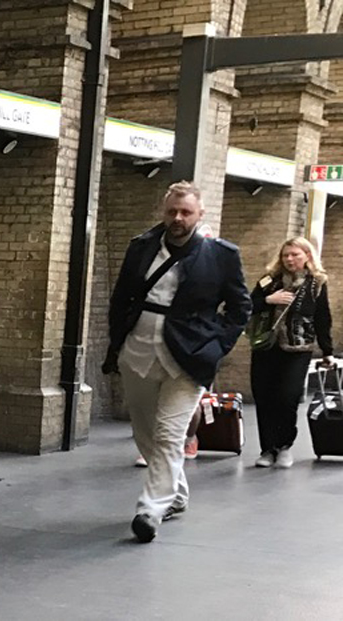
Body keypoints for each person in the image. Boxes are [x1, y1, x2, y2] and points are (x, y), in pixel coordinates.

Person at [103, 181, 251, 543]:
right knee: (145, 432)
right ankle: (177, 494)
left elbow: (240, 307)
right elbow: (121, 297)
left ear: (199, 214)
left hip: (190, 357)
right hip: (138, 350)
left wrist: (218, 346)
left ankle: (150, 509)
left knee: (170, 434)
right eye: (172, 211)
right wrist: (117, 340)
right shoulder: (140, 248)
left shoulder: (221, 255)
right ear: (163, 212)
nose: (178, 218)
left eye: (186, 212)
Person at [250, 237, 334, 469]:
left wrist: (327, 351)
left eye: (295, 254)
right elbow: (246, 305)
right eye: (286, 255)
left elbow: (322, 317)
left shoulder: (317, 283)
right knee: (264, 396)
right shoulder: (269, 280)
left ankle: (284, 445)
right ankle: (267, 449)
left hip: (298, 348)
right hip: (265, 346)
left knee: (288, 396)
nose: (289, 259)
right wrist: (268, 300)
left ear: (307, 256)